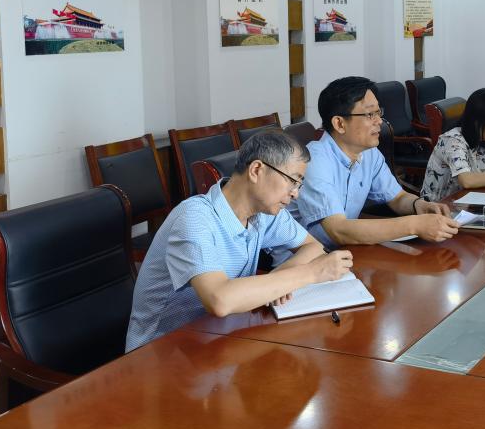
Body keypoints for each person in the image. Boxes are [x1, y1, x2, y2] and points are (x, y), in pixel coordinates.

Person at [126, 130, 352, 351]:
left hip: (218, 338)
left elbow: (312, 247)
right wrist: (310, 274)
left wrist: (278, 283)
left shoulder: (265, 212)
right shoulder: (194, 218)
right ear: (256, 170)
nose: (296, 194)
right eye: (292, 181)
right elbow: (220, 299)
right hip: (161, 352)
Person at [283, 76, 457, 252]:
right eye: (369, 114)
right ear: (339, 123)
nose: (379, 121)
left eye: (378, 112)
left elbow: (397, 198)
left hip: (344, 251)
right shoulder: (315, 161)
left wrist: (420, 205)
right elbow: (338, 230)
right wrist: (414, 225)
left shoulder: (368, 153)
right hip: (302, 259)